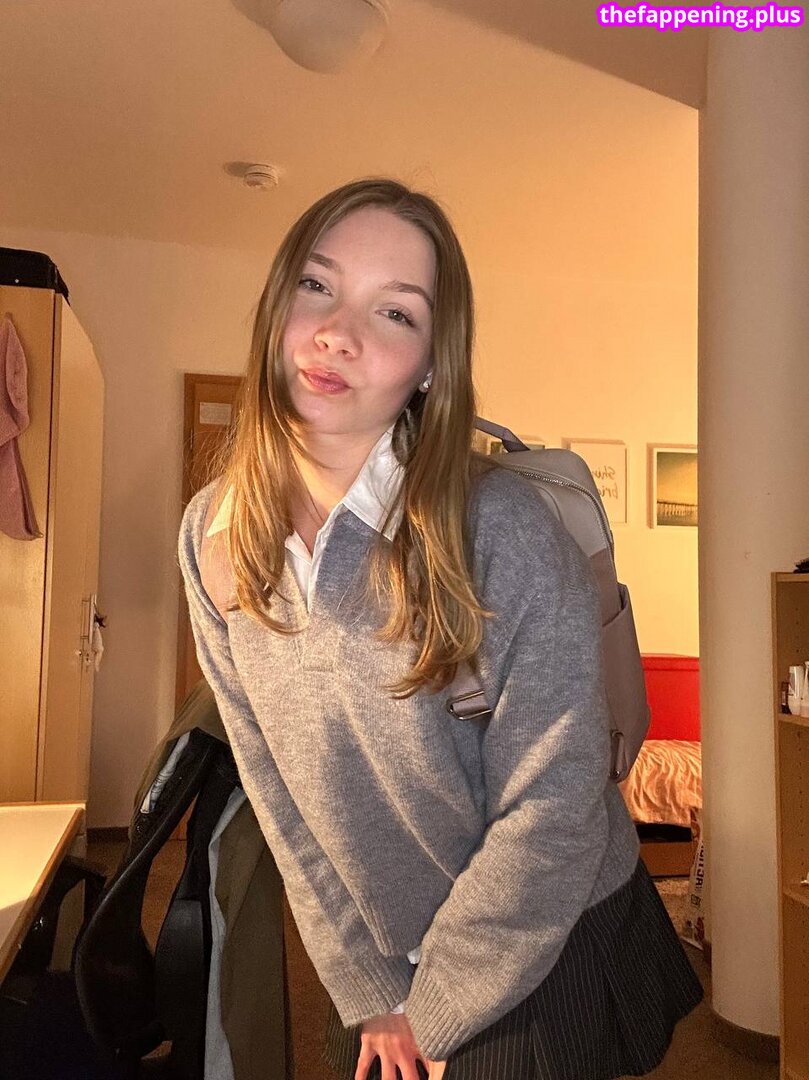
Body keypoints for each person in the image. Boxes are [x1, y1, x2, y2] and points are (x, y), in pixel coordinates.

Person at [178, 177, 703, 1080]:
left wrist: (434, 1008)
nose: (336, 333)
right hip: (383, 959)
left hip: (540, 935)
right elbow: (274, 787)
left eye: (394, 312)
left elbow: (554, 805)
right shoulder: (212, 532)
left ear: (429, 363)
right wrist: (369, 986)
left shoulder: (500, 529)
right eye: (315, 285)